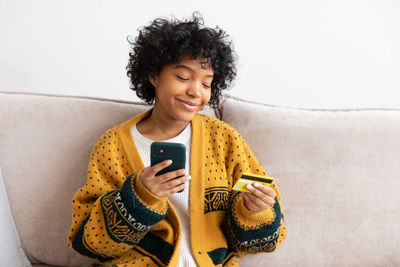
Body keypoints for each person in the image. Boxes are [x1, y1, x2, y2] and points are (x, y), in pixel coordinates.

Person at [67, 11, 286, 267]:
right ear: (154, 75)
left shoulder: (224, 139)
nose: (195, 92)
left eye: (207, 84)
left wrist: (255, 212)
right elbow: (91, 243)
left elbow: (262, 242)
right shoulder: (112, 146)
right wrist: (139, 197)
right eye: (183, 77)